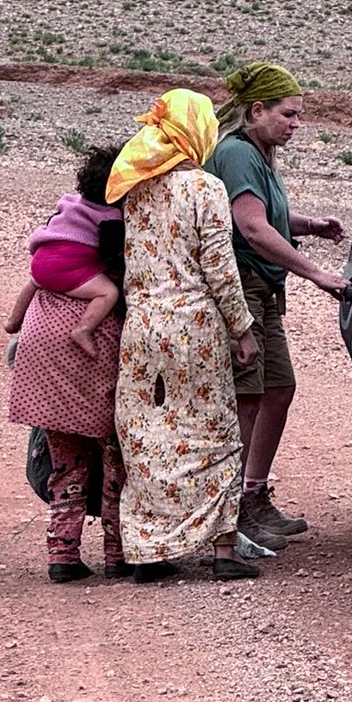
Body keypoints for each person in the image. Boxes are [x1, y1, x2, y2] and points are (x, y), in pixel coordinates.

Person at [106, 87, 263, 584]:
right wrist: (243, 327)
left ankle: (151, 549)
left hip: (143, 324)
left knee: (146, 431)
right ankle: (222, 547)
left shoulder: (136, 187)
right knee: (212, 429)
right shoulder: (205, 187)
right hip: (194, 326)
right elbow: (219, 265)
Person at [207, 62, 347, 554]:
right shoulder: (238, 153)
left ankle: (253, 493)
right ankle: (233, 511)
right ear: (257, 109)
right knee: (246, 398)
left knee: (277, 388)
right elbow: (251, 226)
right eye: (288, 114)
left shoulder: (259, 154)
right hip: (242, 289)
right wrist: (316, 272)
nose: (295, 123)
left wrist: (307, 225)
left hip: (262, 289)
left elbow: (269, 216)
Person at [7, 181, 128, 585]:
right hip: (98, 362)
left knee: (66, 465)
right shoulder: (113, 242)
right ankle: (118, 553)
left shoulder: (59, 237)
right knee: (116, 465)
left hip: (44, 355)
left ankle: (63, 554)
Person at [6, 146, 124, 359]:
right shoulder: (111, 217)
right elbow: (112, 255)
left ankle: (13, 321)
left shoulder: (70, 201)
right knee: (109, 293)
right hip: (68, 268)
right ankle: (83, 329)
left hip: (42, 261)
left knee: (35, 282)